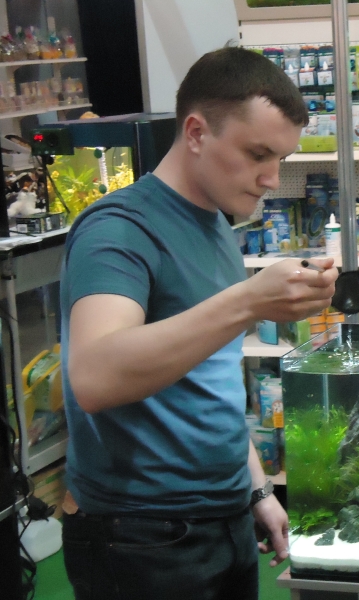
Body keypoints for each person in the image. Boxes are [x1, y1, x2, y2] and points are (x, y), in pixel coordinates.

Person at [59, 46, 338, 600]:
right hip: (141, 535)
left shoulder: (214, 224)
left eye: (281, 158)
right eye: (257, 154)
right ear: (195, 133)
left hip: (222, 515)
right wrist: (248, 302)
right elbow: (93, 377)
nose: (271, 178)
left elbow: (209, 383)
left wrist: (255, 488)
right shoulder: (118, 229)